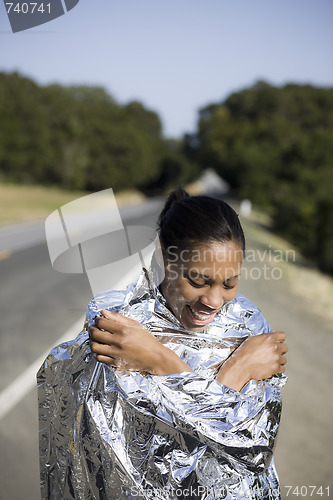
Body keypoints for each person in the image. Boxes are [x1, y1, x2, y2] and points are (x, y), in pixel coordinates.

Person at [38, 187, 288, 500]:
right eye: (198, 280)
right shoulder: (121, 334)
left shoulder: (248, 326)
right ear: (165, 258)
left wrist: (160, 362)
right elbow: (157, 476)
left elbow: (252, 451)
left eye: (229, 283)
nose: (213, 301)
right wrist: (237, 372)